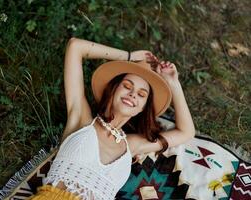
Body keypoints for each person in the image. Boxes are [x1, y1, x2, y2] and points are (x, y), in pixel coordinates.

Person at [28, 37, 195, 200]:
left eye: (141, 94)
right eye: (127, 86)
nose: (132, 94)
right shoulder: (82, 119)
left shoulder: (133, 145)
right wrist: (129, 56)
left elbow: (186, 132)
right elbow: (75, 46)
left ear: (142, 108)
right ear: (113, 89)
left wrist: (173, 84)